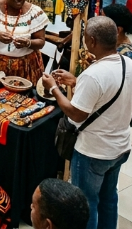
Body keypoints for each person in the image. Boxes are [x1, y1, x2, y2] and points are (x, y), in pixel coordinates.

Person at [41, 16, 132, 229]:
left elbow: (76, 114)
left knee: (87, 202)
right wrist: (76, 80)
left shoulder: (94, 74)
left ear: (91, 41)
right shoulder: (127, 63)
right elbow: (110, 91)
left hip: (94, 151)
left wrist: (53, 87)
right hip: (120, 146)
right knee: (109, 198)